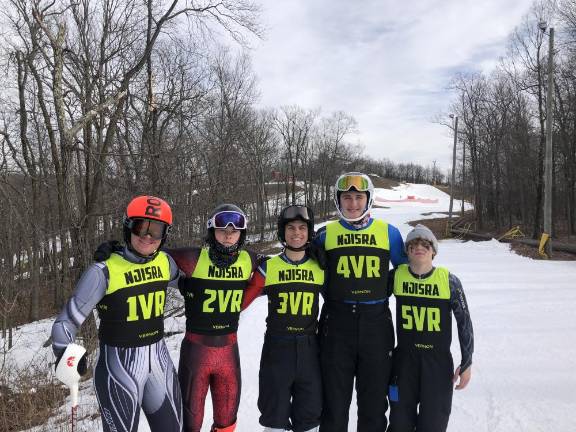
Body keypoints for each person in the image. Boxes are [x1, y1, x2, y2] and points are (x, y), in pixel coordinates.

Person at [51, 195, 183, 432]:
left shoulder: (165, 262)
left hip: (160, 364)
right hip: (119, 369)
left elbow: (196, 280)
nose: (147, 236)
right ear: (127, 226)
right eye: (140, 226)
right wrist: (66, 355)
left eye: (157, 230)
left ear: (165, 235)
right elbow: (65, 324)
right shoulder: (104, 270)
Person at [314, 172, 407, 432]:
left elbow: (405, 273)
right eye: (347, 197)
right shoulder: (324, 235)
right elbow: (310, 274)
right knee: (333, 404)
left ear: (368, 199)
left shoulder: (389, 233)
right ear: (338, 200)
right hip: (336, 325)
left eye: (358, 197)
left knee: (374, 406)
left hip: (376, 326)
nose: (352, 203)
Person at [167, 204, 263, 432]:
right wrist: (118, 251)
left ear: (242, 234)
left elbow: (283, 264)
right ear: (211, 231)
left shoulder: (249, 260)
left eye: (235, 231)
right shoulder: (193, 258)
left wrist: (312, 253)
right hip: (195, 354)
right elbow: (148, 251)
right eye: (222, 230)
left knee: (227, 421)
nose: (229, 235)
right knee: (191, 421)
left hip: (229, 353)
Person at [242, 205, 325, 432]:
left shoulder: (320, 267)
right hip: (277, 349)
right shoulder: (269, 267)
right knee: (274, 416)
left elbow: (340, 303)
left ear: (309, 233)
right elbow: (240, 302)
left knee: (309, 417)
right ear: (282, 232)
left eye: (302, 228)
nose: (296, 233)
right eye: (290, 228)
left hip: (310, 348)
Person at [387, 224, 474, 432]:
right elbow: (371, 304)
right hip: (404, 364)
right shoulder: (396, 276)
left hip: (438, 365)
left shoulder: (449, 281)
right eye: (414, 244)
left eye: (425, 244)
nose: (419, 247)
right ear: (407, 250)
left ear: (433, 251)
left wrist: (467, 362)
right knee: (399, 424)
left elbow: (465, 322)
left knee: (433, 425)